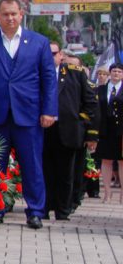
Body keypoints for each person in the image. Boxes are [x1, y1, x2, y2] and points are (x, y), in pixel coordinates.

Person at [0, 0, 57, 229]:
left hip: (29, 115)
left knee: (32, 165)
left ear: (21, 14)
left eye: (14, 14)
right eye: (5, 14)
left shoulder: (38, 42)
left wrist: (49, 110)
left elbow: (48, 79)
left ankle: (35, 210)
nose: (10, 18)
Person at [42, 42, 98, 221]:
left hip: (68, 130)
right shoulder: (36, 73)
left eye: (54, 53)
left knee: (66, 173)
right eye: (47, 53)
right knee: (44, 172)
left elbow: (90, 103)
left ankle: (63, 210)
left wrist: (86, 129)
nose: (51, 57)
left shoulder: (75, 73)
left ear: (61, 56)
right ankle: (42, 207)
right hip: (42, 130)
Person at [95, 63, 123, 203]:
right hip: (105, 130)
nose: (116, 74)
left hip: (121, 130)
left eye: (119, 71)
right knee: (105, 161)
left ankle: (122, 194)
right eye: (114, 71)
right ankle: (107, 193)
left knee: (121, 161)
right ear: (110, 73)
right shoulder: (101, 89)